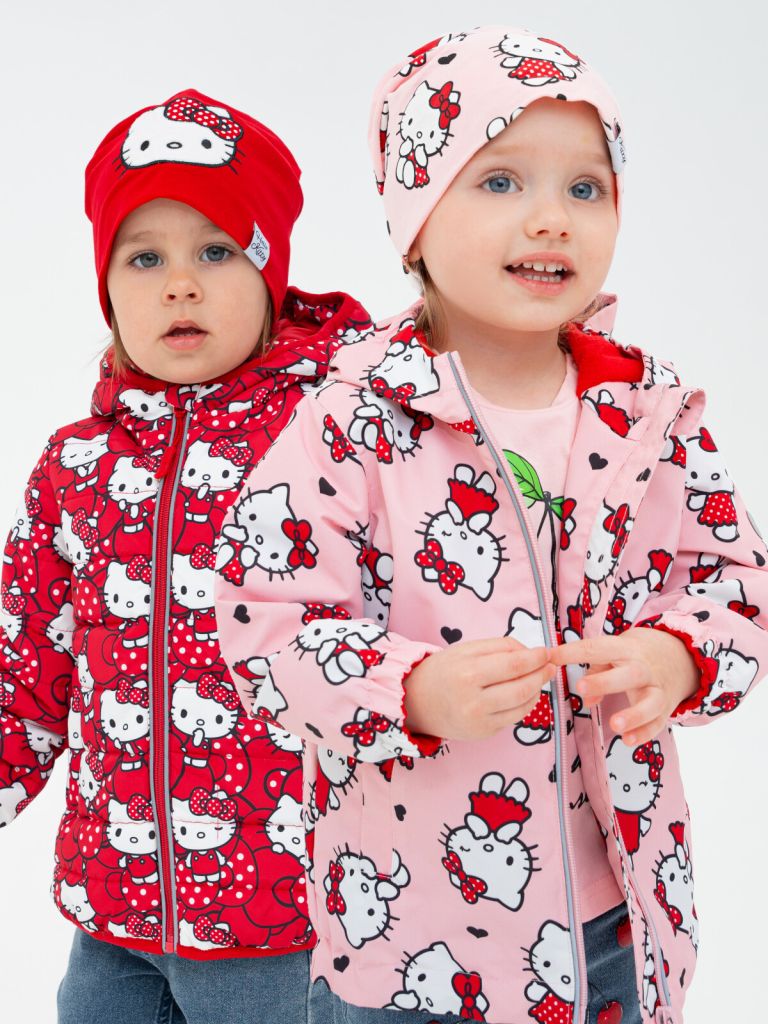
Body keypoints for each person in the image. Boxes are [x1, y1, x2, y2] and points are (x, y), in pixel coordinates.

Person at [214, 27, 768, 1024]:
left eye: (585, 187)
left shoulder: (649, 412)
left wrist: (681, 658)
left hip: (616, 928)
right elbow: (265, 625)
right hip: (407, 946)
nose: (551, 218)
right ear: (415, 219)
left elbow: (737, 584)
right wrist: (408, 689)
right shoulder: (350, 421)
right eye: (501, 181)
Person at [0, 87, 370, 1024]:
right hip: (112, 914)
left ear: (270, 270)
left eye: (216, 251)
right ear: (107, 287)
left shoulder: (333, 437)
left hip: (284, 915)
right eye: (144, 257)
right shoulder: (75, 467)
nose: (180, 284)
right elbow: (25, 668)